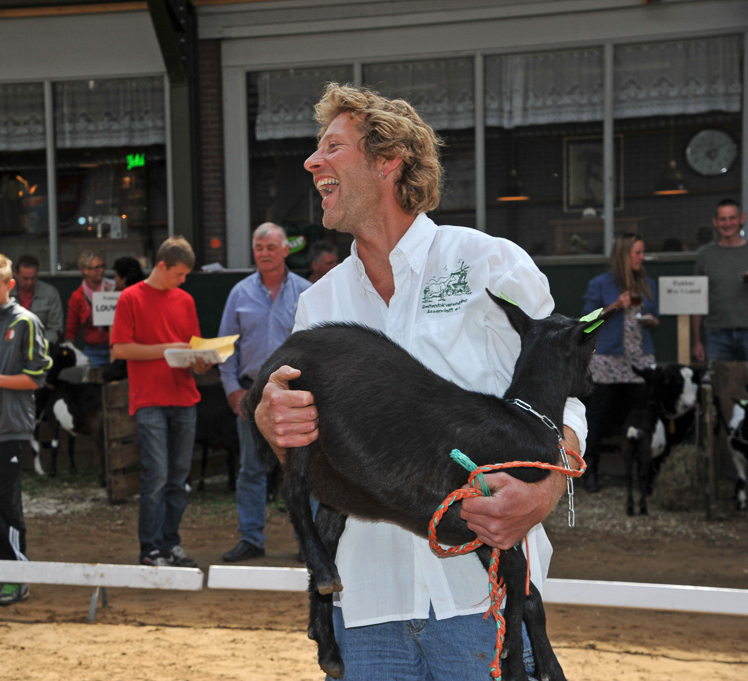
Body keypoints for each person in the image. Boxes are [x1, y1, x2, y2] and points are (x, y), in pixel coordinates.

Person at [252, 83, 585, 681]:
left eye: (332, 147)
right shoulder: (318, 305)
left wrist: (543, 495)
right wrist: (272, 420)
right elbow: (303, 443)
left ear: (388, 161)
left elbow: (567, 399)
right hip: (365, 604)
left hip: (483, 602)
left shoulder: (489, 263)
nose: (311, 162)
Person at [111, 236, 210, 568]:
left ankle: (170, 544)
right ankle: (150, 548)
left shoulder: (185, 300)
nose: (182, 281)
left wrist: (200, 360)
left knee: (178, 477)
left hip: (183, 397)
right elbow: (120, 349)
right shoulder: (130, 298)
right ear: (162, 265)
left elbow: (192, 346)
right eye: (179, 274)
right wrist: (168, 349)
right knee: (156, 476)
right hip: (150, 399)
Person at [219, 223, 310, 562]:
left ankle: (309, 542)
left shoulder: (306, 292)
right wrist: (232, 390)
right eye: (259, 247)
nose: (264, 253)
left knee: (303, 471)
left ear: (286, 250)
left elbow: (317, 345)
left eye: (271, 247)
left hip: (297, 396)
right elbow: (226, 347)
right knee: (251, 470)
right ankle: (251, 538)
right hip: (251, 396)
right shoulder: (239, 294)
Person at [0, 252, 52, 606]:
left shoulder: (27, 322)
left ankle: (19, 577)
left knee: (6, 502)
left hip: (14, 430)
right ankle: (4, 575)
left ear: (10, 285)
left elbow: (37, 377)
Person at [580, 233, 659, 492]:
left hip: (639, 359)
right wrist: (615, 305)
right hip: (608, 360)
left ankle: (641, 472)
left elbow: (654, 316)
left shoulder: (646, 283)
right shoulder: (600, 284)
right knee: (598, 416)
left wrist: (650, 320)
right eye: (637, 252)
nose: (641, 257)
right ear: (624, 254)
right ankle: (590, 470)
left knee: (639, 416)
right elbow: (587, 321)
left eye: (642, 252)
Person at [692, 199, 748, 362]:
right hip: (715, 334)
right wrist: (697, 341)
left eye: (732, 218)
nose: (727, 223)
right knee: (720, 385)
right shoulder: (705, 256)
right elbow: (697, 300)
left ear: (741, 219)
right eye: (722, 219)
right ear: (715, 222)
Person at [65, 250, 115, 367]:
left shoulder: (113, 287)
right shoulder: (77, 296)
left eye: (102, 266)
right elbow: (71, 326)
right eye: (96, 268)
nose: (101, 270)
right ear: (85, 270)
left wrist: (110, 296)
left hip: (114, 345)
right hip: (93, 349)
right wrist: (69, 348)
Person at [10, 254, 64, 345]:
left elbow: (56, 329)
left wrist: (34, 341)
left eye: (33, 278)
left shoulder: (49, 293)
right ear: (16, 274)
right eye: (25, 278)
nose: (29, 282)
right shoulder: (6, 294)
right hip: (11, 345)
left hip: (41, 347)